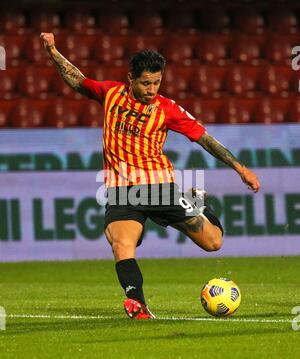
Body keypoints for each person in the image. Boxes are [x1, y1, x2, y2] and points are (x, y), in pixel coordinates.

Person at [40, 32, 260, 320]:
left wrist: (239, 167)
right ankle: (137, 303)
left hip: (160, 188)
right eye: (146, 82)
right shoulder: (110, 94)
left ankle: (198, 202)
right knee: (121, 243)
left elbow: (204, 138)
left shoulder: (167, 109)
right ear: (130, 78)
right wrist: (53, 51)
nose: (152, 89)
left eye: (157, 82)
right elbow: (76, 79)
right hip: (123, 190)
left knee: (213, 243)